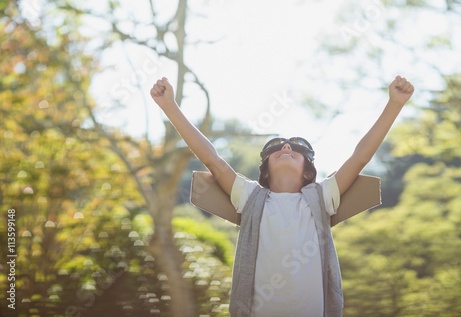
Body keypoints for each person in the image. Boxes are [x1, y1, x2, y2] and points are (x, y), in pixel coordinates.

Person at [150, 75, 414, 317]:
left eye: (297, 148)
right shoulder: (251, 197)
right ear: (264, 172)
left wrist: (394, 104)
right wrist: (169, 106)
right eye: (276, 147)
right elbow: (212, 159)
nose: (286, 146)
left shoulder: (321, 197)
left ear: (309, 173)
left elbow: (359, 158)